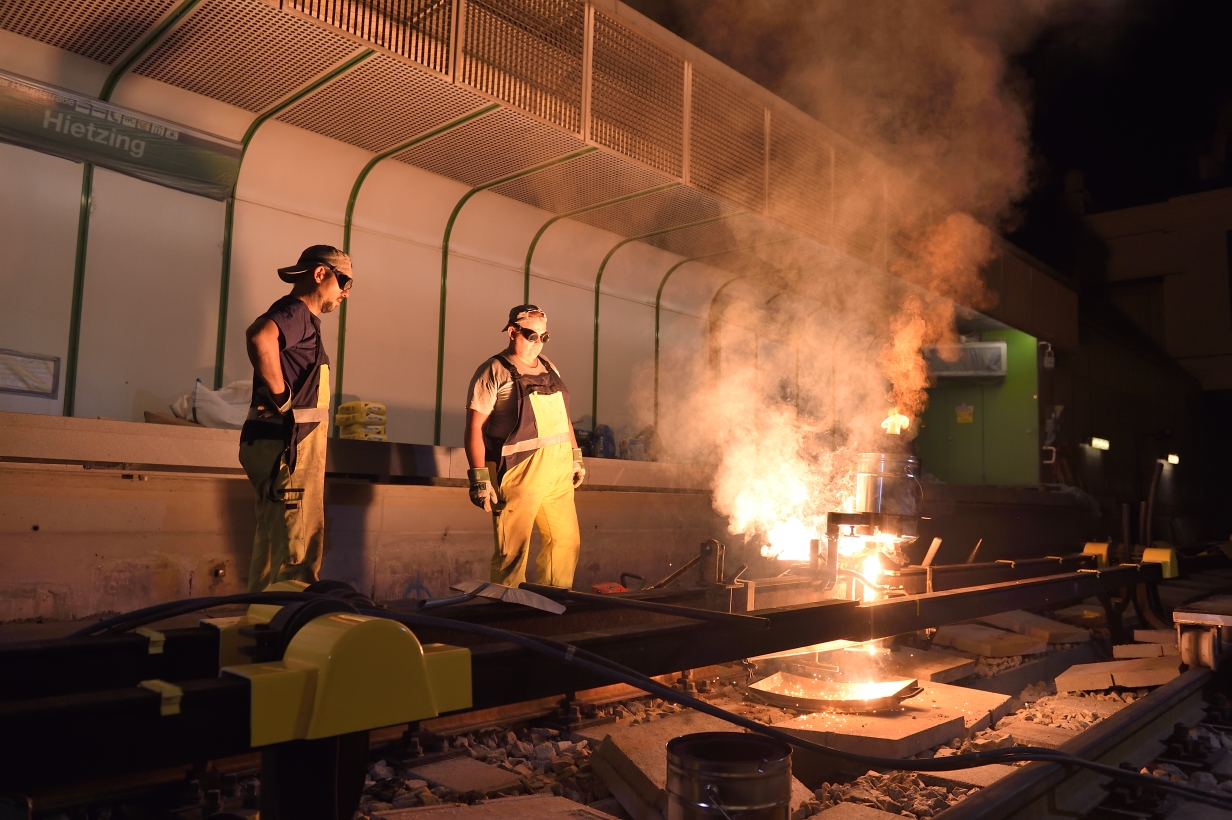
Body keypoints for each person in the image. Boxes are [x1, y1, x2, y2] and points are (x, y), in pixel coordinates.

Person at [239, 245, 353, 591]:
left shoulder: (301, 320)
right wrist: (282, 398)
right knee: (296, 548)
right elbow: (260, 337)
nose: (346, 292)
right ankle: (289, 631)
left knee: (272, 547)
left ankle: (259, 622)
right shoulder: (296, 311)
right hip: (290, 447)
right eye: (344, 281)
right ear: (321, 274)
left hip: (271, 444)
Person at [465, 305, 586, 588]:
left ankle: (554, 606)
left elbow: (563, 419)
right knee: (513, 552)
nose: (538, 343)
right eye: (532, 336)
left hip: (558, 473)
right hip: (519, 472)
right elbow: (474, 428)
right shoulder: (493, 371)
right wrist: (479, 478)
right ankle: (509, 617)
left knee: (565, 542)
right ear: (512, 332)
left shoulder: (549, 367)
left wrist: (575, 456)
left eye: (544, 337)